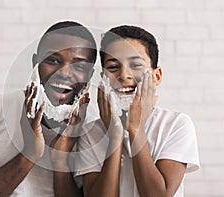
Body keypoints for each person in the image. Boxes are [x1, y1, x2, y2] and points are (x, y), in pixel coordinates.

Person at [0, 21, 97, 196]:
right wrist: (28, 155)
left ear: (90, 75)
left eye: (79, 66)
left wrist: (60, 162)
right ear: (35, 62)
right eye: (53, 60)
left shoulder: (95, 130)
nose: (65, 73)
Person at [75, 25, 200, 197]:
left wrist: (135, 129)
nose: (124, 75)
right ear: (102, 78)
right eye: (112, 67)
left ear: (156, 77)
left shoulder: (176, 125)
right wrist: (115, 135)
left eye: (135, 65)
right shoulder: (90, 133)